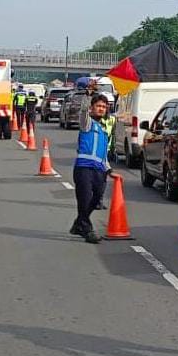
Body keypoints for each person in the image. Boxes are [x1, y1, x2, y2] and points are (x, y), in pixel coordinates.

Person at [70, 93, 110, 243]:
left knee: (97, 197)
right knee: (85, 199)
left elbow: (103, 153)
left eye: (104, 107)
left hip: (99, 170)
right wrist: (88, 94)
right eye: (98, 106)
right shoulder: (87, 124)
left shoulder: (103, 130)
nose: (101, 109)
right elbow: (83, 111)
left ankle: (78, 223)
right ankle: (87, 230)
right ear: (92, 108)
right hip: (84, 168)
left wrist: (109, 169)